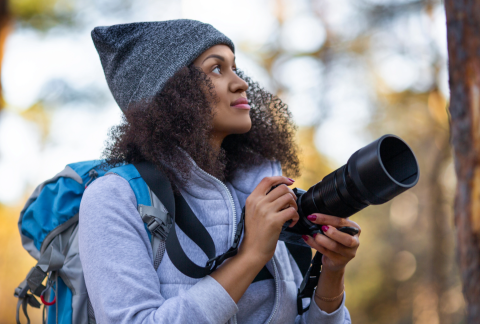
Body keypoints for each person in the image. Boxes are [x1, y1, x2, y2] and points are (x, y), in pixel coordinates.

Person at [79, 19, 360, 324]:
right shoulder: (114, 198)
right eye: (216, 68)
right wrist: (250, 257)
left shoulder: (256, 191)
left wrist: (332, 272)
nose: (241, 83)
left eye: (235, 68)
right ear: (172, 93)